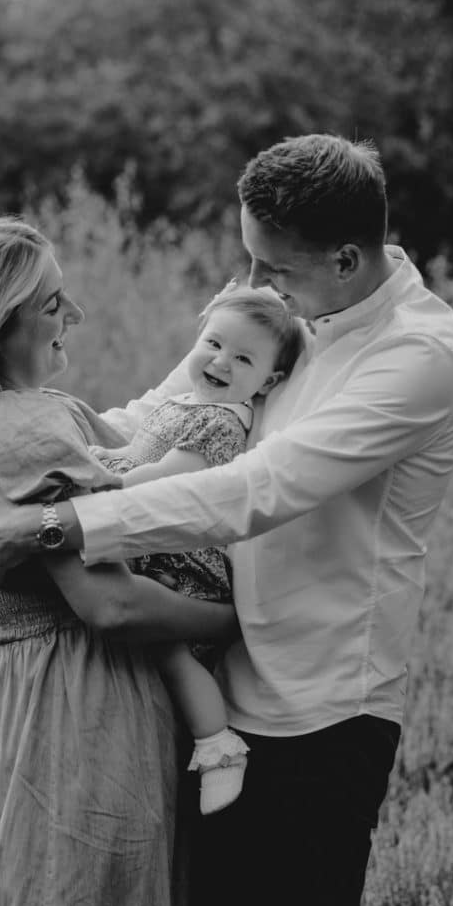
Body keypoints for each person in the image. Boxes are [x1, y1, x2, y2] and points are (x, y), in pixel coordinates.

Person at [0, 134, 453, 906]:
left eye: (274, 268)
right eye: (249, 260)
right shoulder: (283, 306)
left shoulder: (417, 358)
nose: (254, 282)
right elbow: (160, 415)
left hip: (317, 710)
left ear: (343, 259)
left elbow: (258, 489)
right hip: (212, 695)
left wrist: (59, 521)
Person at [0, 217, 238, 906]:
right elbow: (110, 606)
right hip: (85, 704)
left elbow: (145, 448)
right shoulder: (29, 428)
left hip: (31, 700)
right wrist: (242, 623)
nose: (73, 314)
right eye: (50, 304)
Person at [93, 284, 303, 814]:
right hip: (154, 543)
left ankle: (218, 745)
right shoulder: (184, 402)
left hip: (185, 561)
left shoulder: (225, 421)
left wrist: (101, 477)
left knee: (169, 648)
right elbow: (138, 450)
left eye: (243, 359)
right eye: (213, 343)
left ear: (268, 381)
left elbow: (169, 476)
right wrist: (105, 457)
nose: (221, 362)